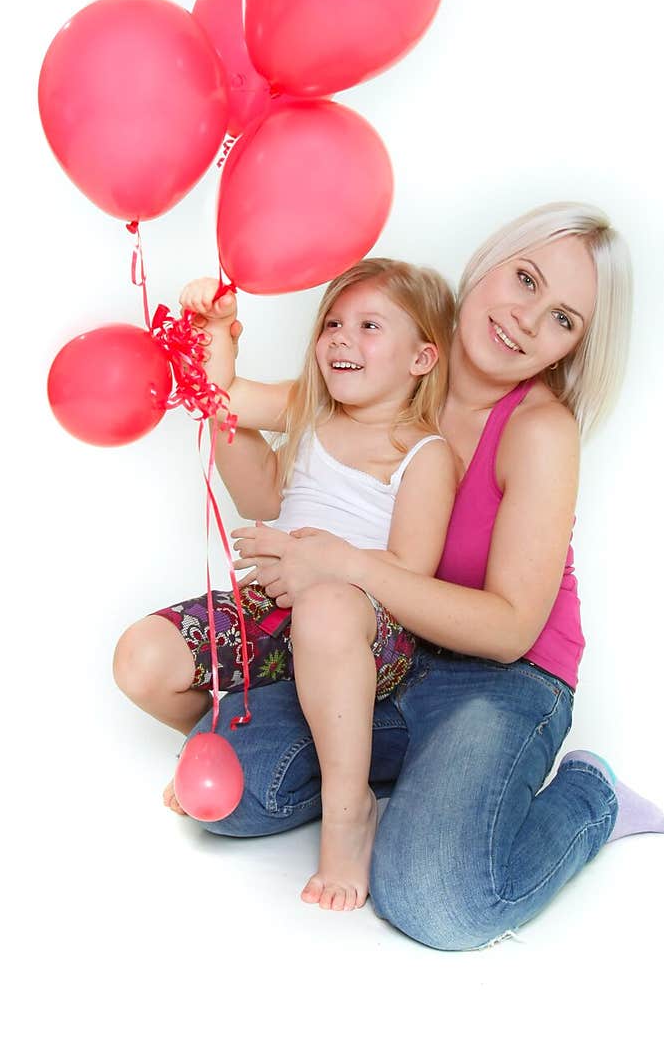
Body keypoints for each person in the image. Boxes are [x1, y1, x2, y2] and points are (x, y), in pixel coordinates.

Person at [187, 202, 664, 950]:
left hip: (501, 680)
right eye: (524, 278)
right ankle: (393, 786)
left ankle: (590, 797)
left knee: (438, 902)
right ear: (488, 262)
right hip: (390, 657)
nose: (524, 319)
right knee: (224, 792)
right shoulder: (403, 359)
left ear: (572, 349)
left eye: (562, 319)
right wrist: (212, 353)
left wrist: (345, 564)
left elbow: (510, 628)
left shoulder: (539, 431)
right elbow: (280, 454)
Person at [113, 258, 457, 910]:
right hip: (270, 613)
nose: (340, 337)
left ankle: (349, 811)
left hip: (363, 635)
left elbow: (410, 578)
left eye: (369, 325)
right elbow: (237, 433)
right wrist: (217, 332)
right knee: (141, 659)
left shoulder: (425, 454)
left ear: (421, 358)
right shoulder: (308, 406)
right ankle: (209, 744)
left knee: (327, 607)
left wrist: (324, 567)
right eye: (332, 322)